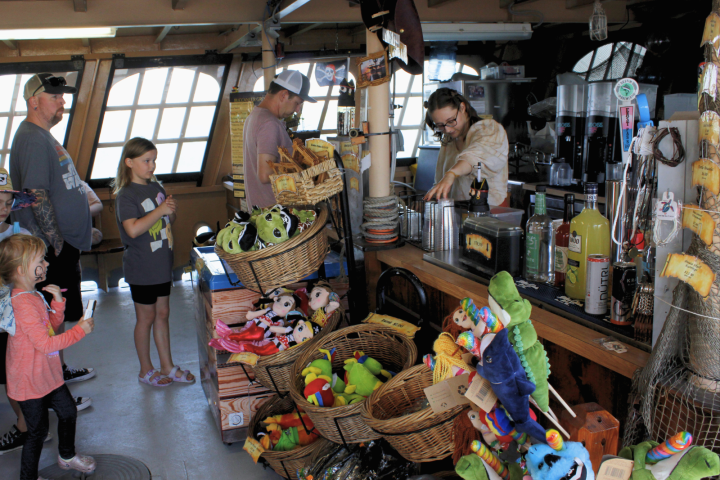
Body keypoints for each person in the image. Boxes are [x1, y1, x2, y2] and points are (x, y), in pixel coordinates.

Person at [10, 73, 96, 387]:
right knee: (50, 317)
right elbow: (37, 194)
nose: (63, 102)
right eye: (55, 96)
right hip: (50, 247)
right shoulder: (33, 137)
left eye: (63, 96)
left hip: (59, 244)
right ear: (34, 101)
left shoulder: (43, 135)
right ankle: (51, 382)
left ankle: (57, 371)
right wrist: (56, 243)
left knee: (56, 317)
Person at [0, 234, 96, 480]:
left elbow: (49, 327)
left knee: (68, 413)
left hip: (48, 375)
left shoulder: (33, 296)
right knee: (37, 432)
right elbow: (45, 343)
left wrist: (58, 304)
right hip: (29, 381)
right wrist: (79, 331)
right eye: (41, 259)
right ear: (22, 270)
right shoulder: (22, 304)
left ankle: (66, 456)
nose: (47, 263)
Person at [113, 137, 195, 387]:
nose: (152, 166)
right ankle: (145, 369)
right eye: (146, 160)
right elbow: (134, 230)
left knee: (163, 313)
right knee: (145, 317)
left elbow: (165, 224)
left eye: (154, 160)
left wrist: (170, 212)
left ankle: (167, 366)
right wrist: (160, 211)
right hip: (142, 268)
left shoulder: (156, 187)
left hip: (161, 265)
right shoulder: (126, 195)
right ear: (129, 162)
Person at [423, 88, 510, 206]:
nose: (447, 129)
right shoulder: (449, 141)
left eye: (451, 120)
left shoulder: (489, 130)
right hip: (460, 212)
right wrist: (431, 199)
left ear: (462, 108)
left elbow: (475, 158)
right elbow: (441, 182)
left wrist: (451, 174)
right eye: (440, 125)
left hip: (491, 212)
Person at [243, 70, 316, 208]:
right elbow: (265, 174)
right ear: (283, 95)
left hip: (264, 213)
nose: (297, 110)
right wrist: (302, 170)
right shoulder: (269, 123)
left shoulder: (253, 117)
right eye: (297, 103)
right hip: (278, 215)